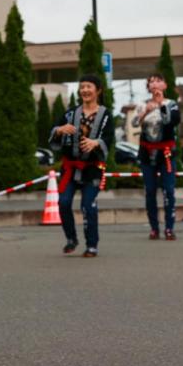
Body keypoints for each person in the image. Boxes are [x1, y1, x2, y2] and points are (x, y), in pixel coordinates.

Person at [50, 75, 114, 257]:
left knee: (88, 205)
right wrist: (59, 130)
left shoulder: (105, 115)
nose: (85, 90)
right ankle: (71, 238)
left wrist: (96, 143)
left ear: (98, 90)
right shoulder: (71, 114)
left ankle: (92, 245)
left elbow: (108, 138)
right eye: (82, 87)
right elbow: (54, 130)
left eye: (89, 86)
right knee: (63, 202)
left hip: (92, 168)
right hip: (70, 167)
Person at [131, 73, 181, 240]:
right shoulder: (142, 104)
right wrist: (146, 111)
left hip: (166, 153)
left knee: (168, 190)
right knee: (150, 191)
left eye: (158, 81)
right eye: (151, 82)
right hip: (147, 152)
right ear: (148, 87)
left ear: (164, 85)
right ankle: (154, 228)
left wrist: (160, 105)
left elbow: (171, 121)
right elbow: (134, 123)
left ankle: (169, 228)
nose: (154, 84)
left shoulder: (171, 104)